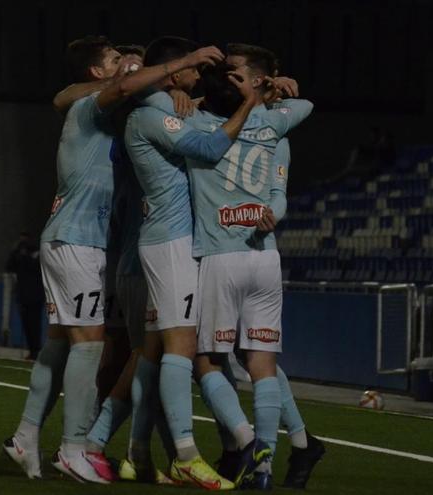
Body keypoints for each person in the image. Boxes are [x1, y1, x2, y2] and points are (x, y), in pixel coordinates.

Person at [2, 35, 225, 482]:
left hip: (77, 240)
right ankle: (74, 447)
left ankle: (26, 436)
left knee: (61, 341)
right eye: (115, 59)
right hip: (77, 241)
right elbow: (93, 92)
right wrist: (180, 64)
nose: (127, 64)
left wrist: (171, 90)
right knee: (91, 342)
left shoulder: (114, 115)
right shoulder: (89, 106)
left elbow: (125, 91)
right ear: (97, 73)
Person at [119, 36, 261, 490]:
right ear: (173, 71)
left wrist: (193, 99)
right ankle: (185, 454)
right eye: (192, 71)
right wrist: (248, 106)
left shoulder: (162, 107)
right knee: (182, 350)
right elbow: (207, 149)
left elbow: (192, 126)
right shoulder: (150, 113)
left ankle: (136, 452)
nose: (198, 77)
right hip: (171, 243)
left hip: (169, 241)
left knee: (158, 351)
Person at [177, 62, 312, 489]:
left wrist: (193, 96)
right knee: (263, 364)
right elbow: (304, 105)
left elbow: (168, 111)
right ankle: (267, 465)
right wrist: (270, 92)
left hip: (222, 255)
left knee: (207, 360)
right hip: (265, 259)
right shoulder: (273, 125)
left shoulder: (198, 127)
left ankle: (247, 439)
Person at [216, 42, 325, 489]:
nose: (229, 78)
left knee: (227, 353)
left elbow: (278, 192)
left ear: (260, 78)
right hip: (218, 243)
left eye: (236, 71)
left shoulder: (274, 131)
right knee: (240, 354)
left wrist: (271, 216)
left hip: (249, 248)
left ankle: (254, 447)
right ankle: (296, 444)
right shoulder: (224, 116)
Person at [5, 232, 44, 360]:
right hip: (23, 294)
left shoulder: (38, 254)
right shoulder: (19, 255)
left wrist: (25, 255)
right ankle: (31, 350)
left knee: (34, 324)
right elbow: (9, 267)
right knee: (26, 324)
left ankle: (36, 350)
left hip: (36, 295)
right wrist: (15, 251)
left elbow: (35, 268)